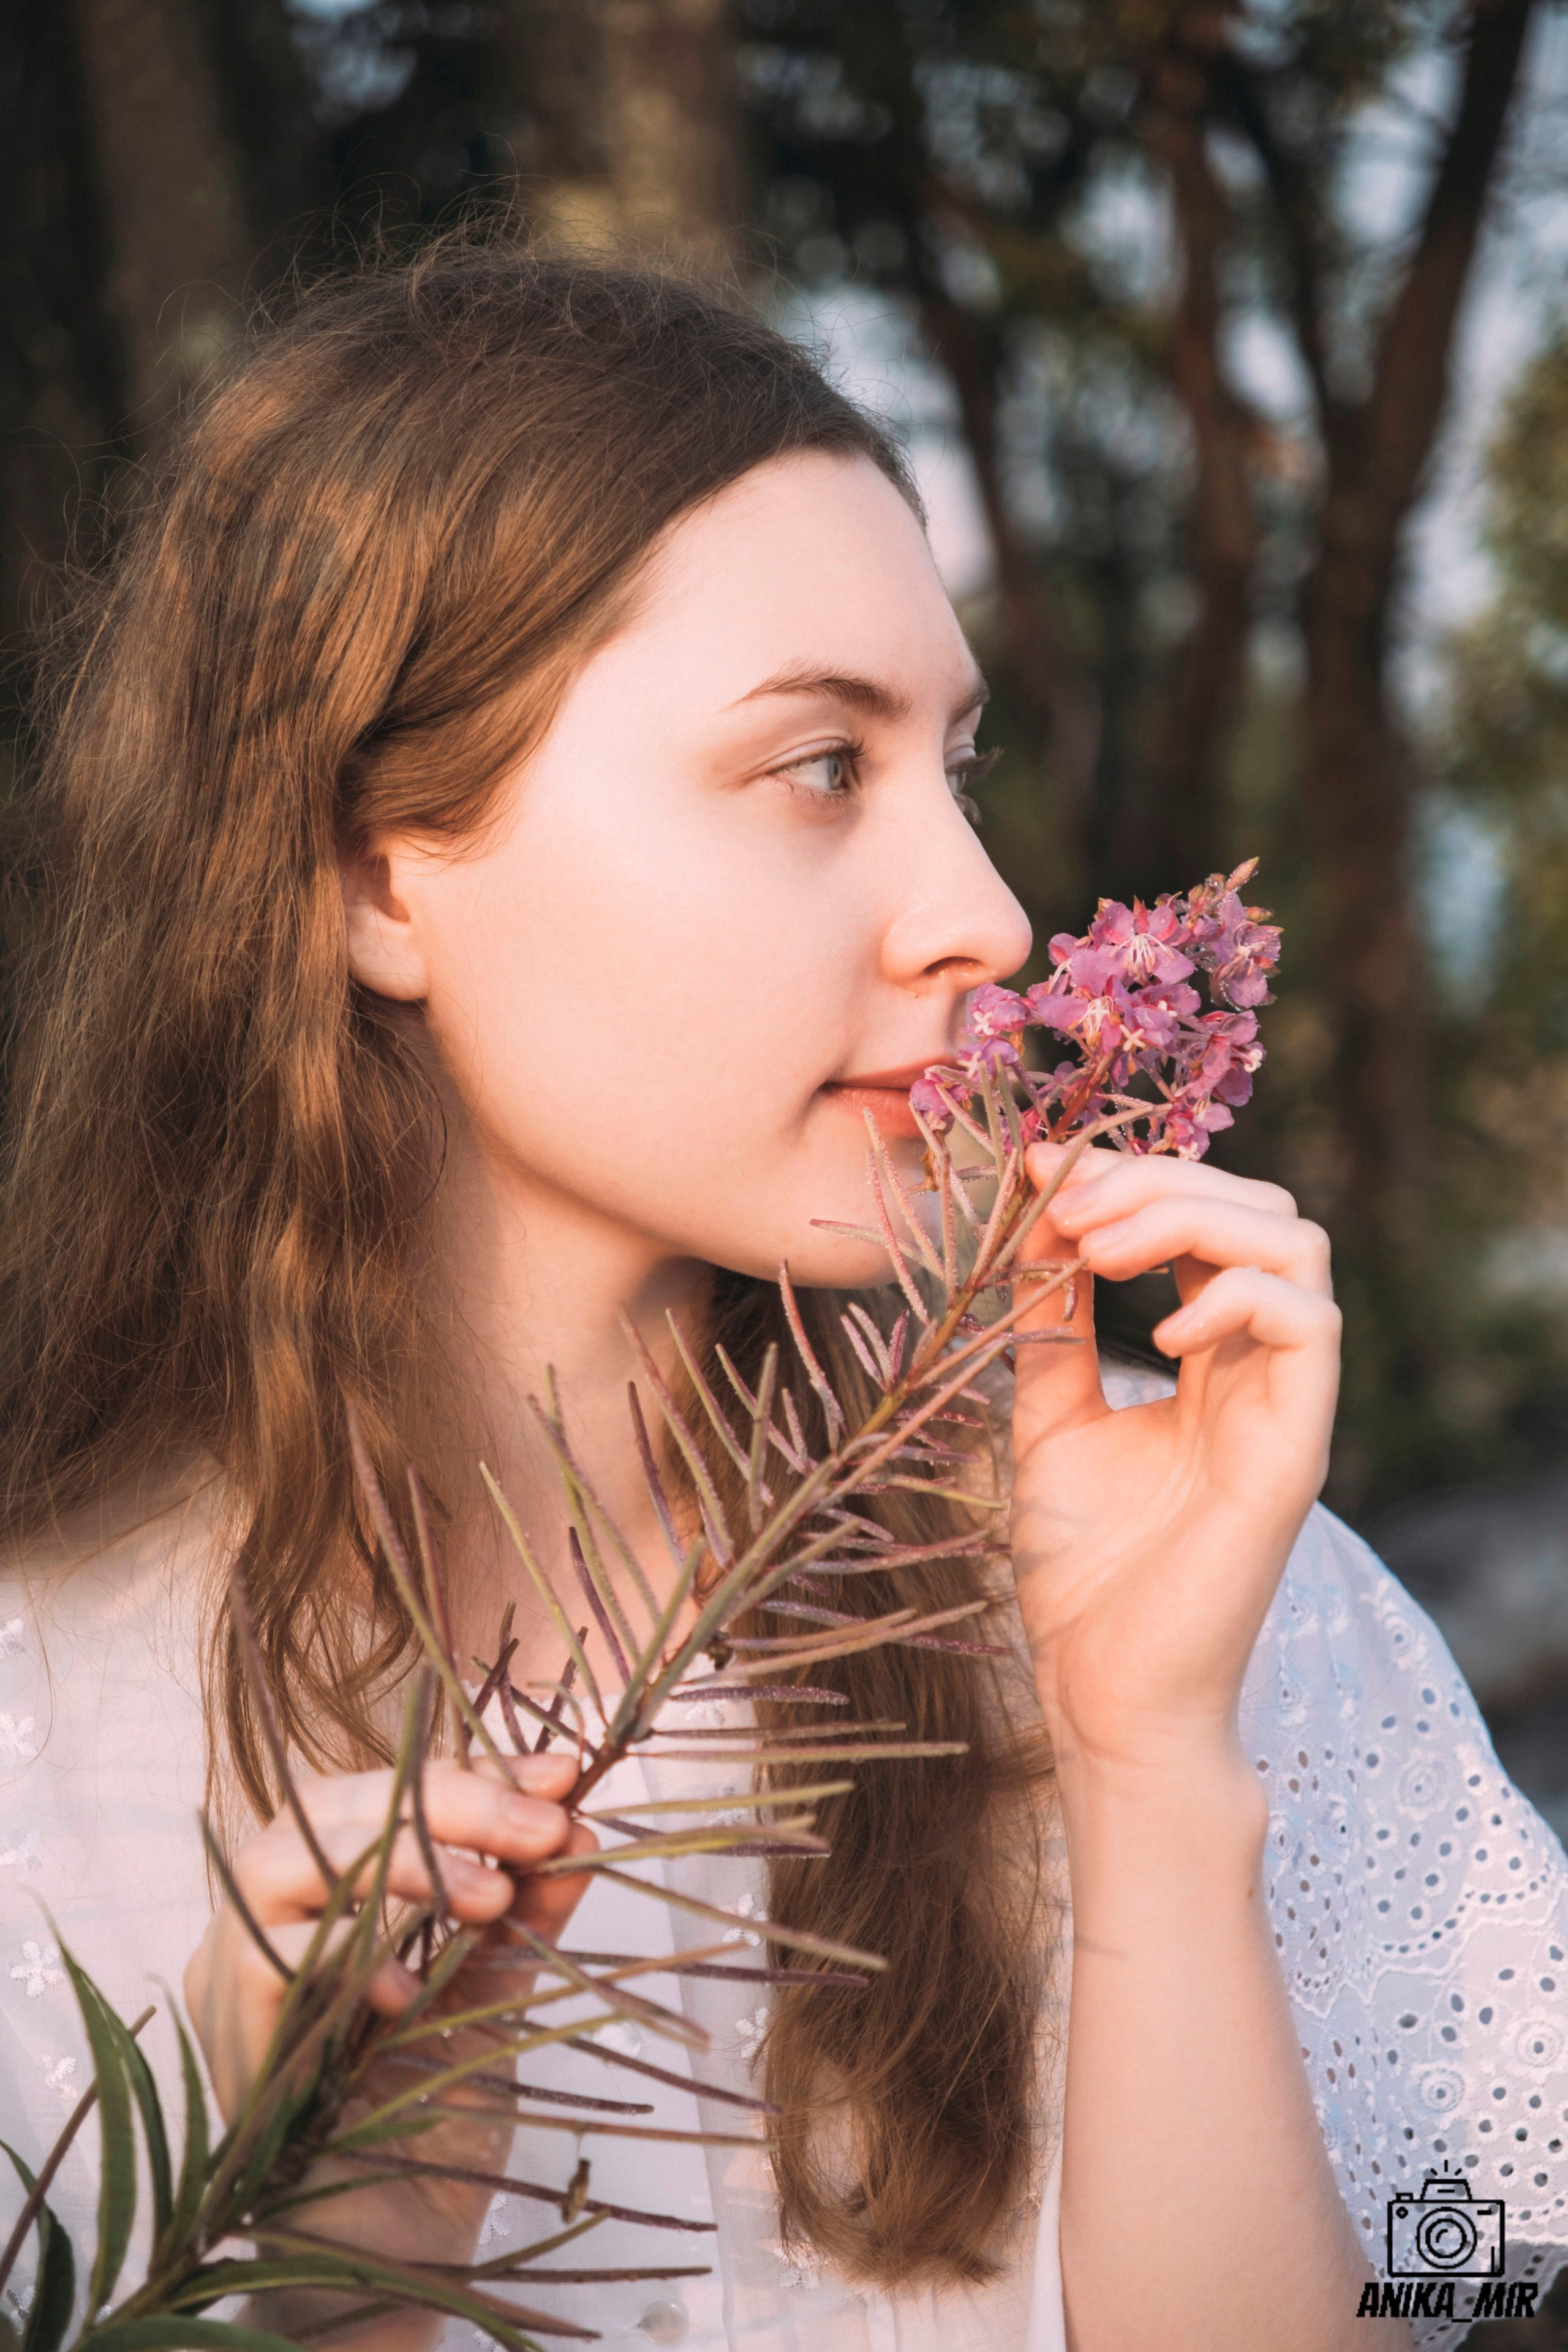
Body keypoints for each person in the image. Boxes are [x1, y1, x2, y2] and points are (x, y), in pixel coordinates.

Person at [0, 243, 1563, 2352]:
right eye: (821, 766)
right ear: (380, 868)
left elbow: (1492, 2260)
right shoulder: (44, 1714)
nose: (991, 914)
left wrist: (1155, 1781)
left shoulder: (1226, 1594)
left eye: (959, 763)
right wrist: (294, 2281)